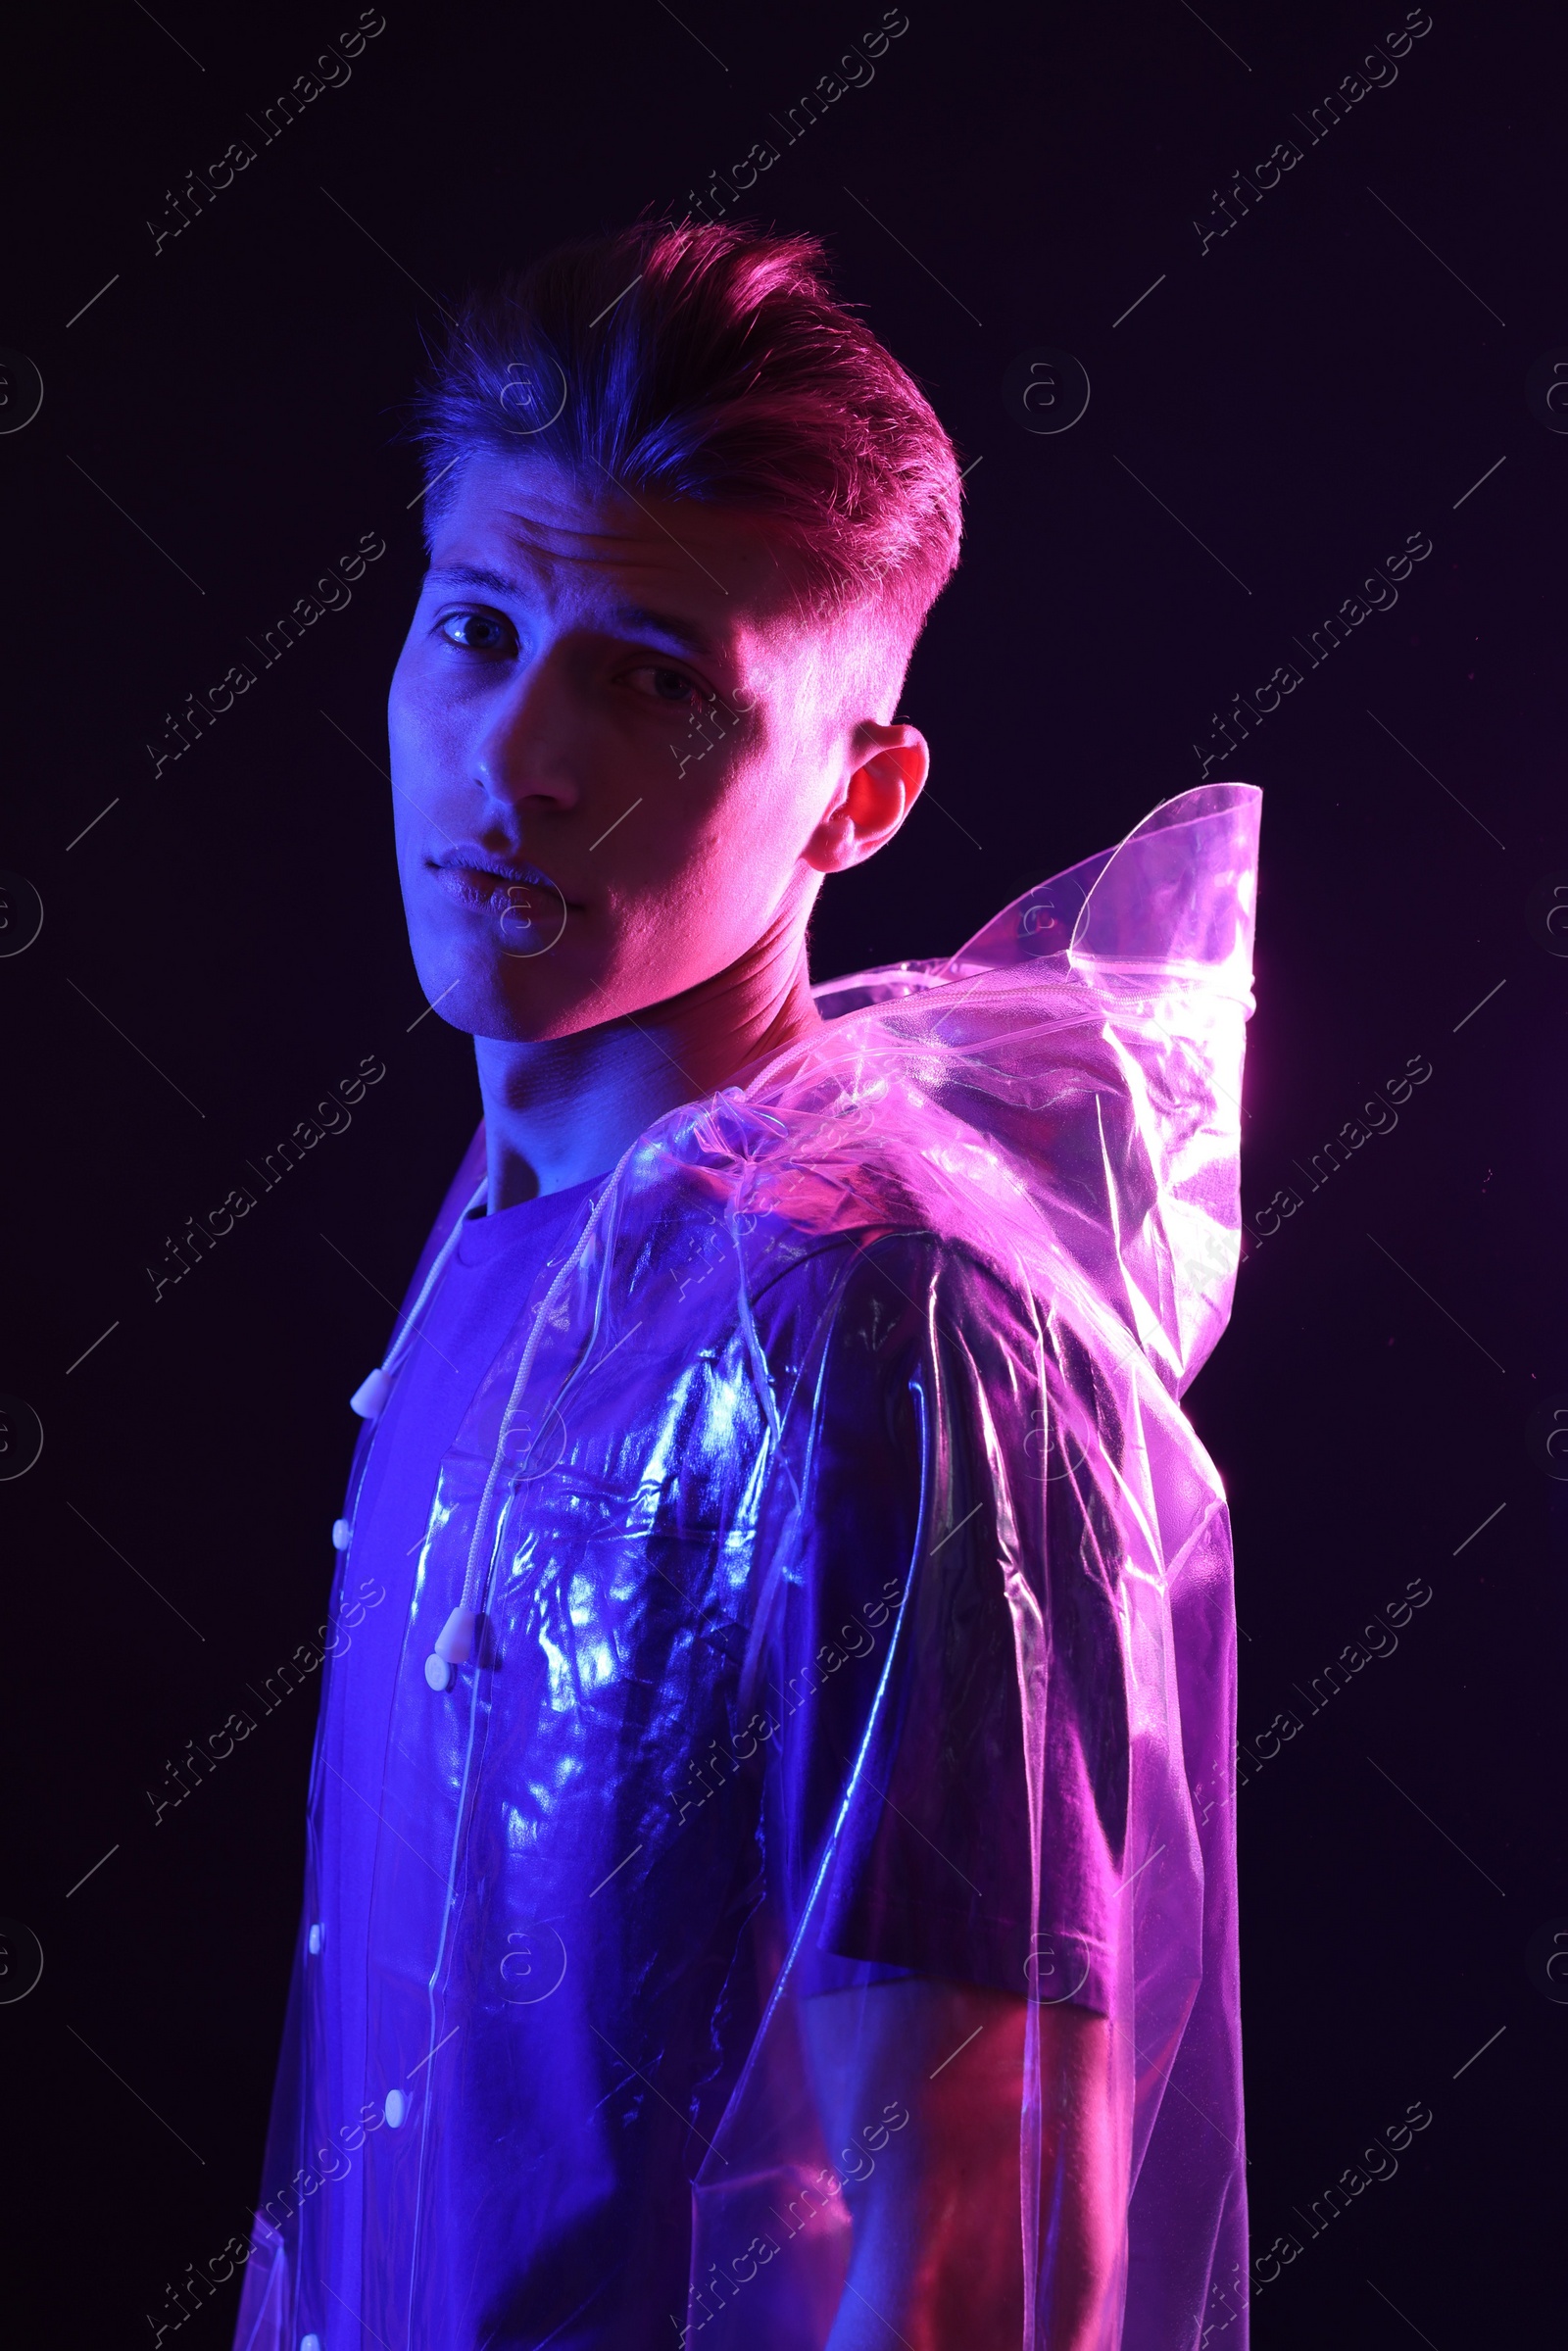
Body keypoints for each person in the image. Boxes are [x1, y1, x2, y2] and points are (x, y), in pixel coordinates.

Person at [234, 220, 1257, 2351]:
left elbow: (976, 2235)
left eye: (652, 679)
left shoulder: (894, 1329)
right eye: (476, 628)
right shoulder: (507, 1234)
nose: (519, 760)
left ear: (856, 799)